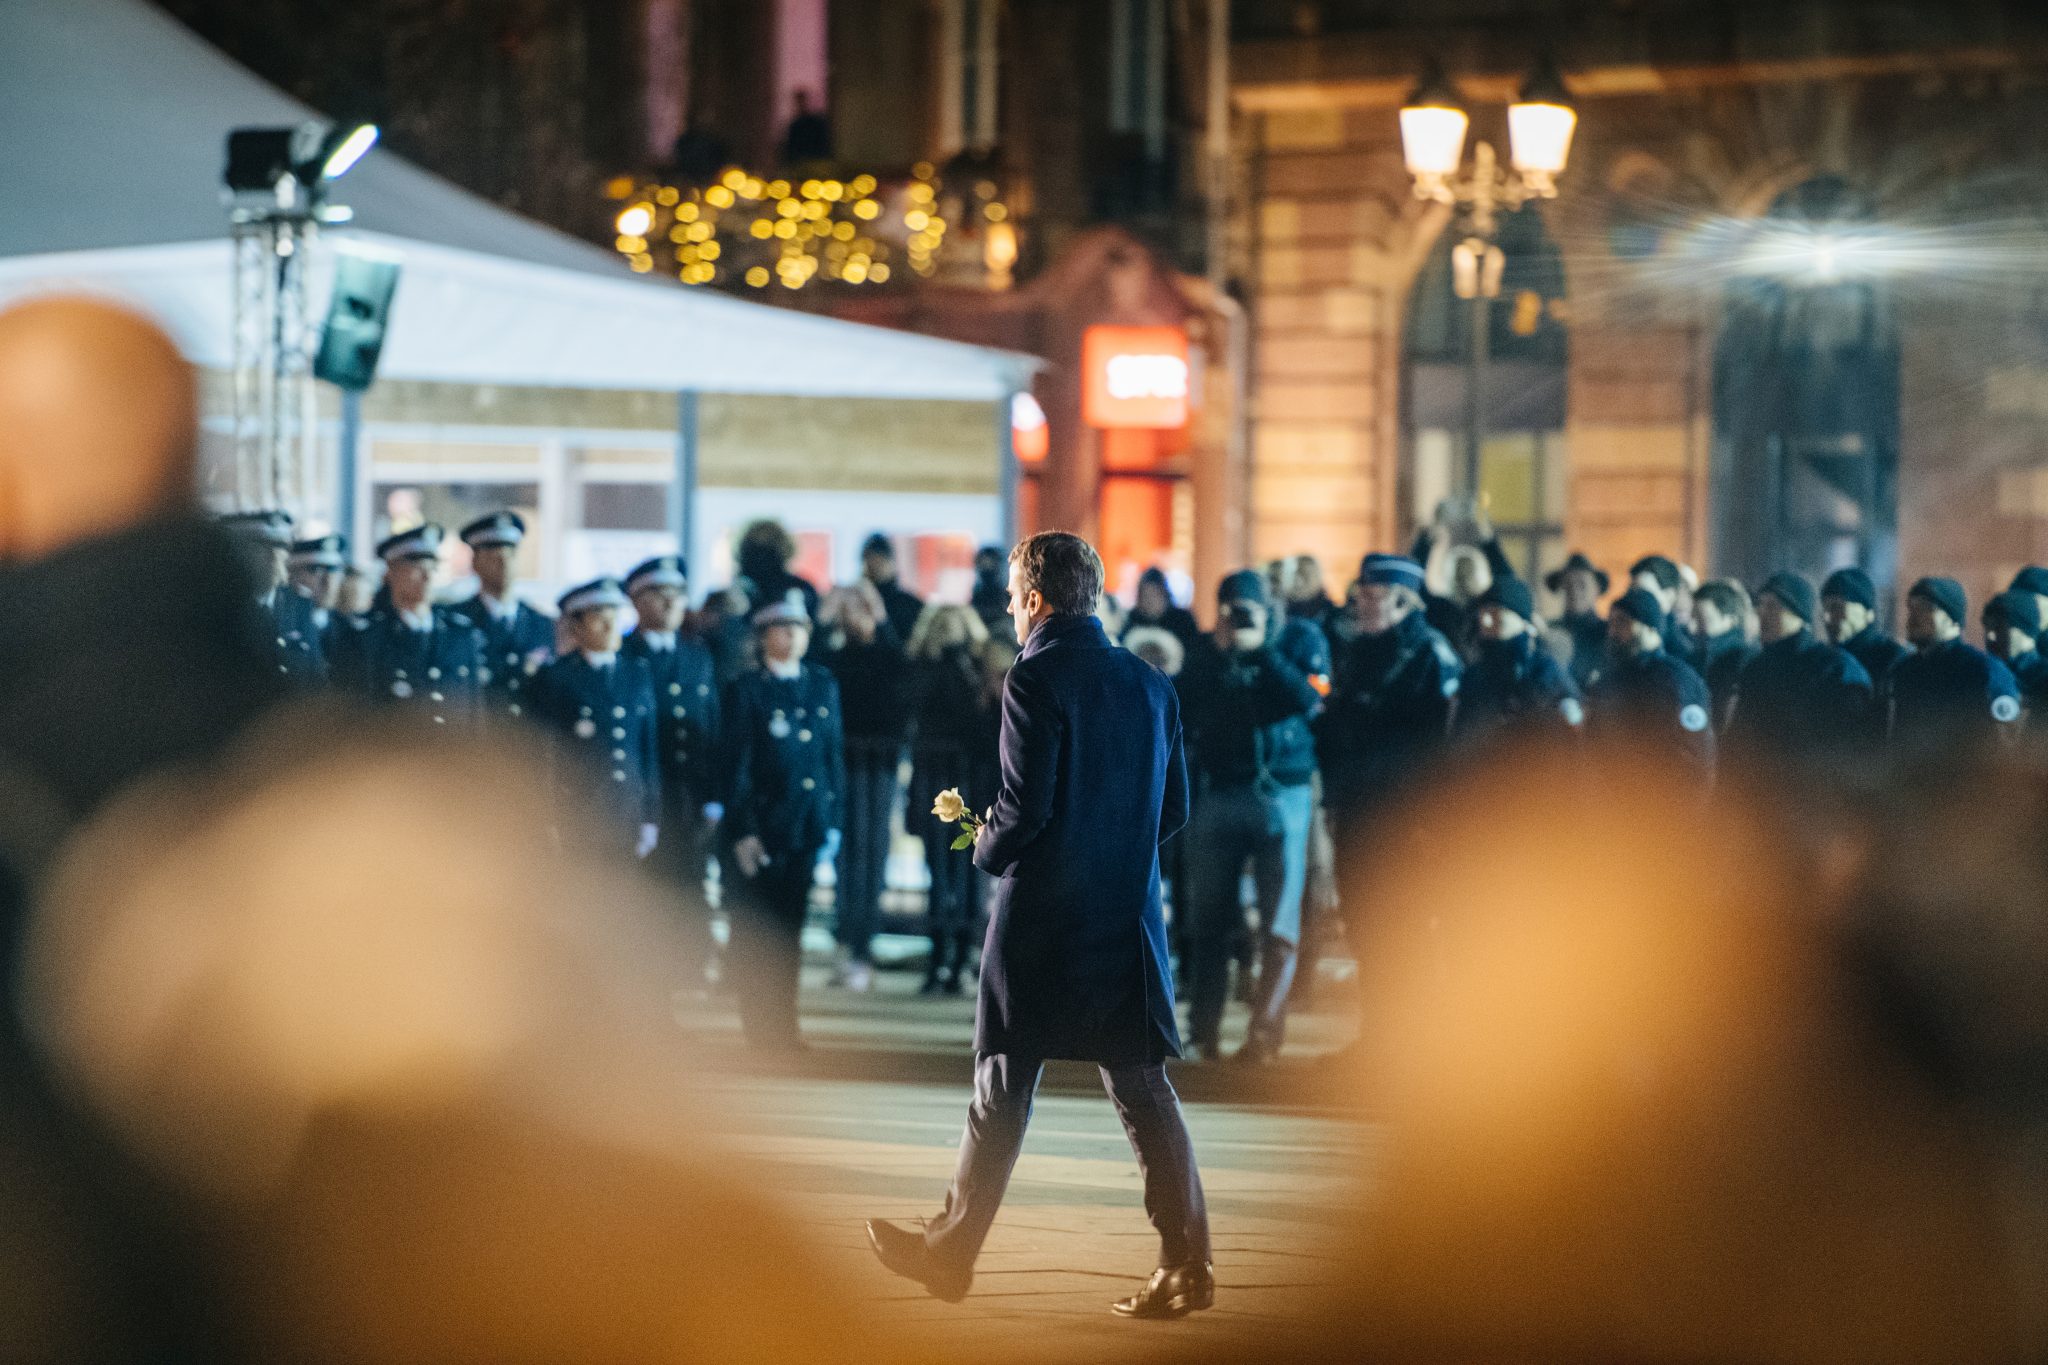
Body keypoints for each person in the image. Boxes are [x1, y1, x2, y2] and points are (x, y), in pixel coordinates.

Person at [865, 532, 1210, 1318]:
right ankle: (1187, 1259)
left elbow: (1025, 809)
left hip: (1046, 917)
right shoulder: (1151, 680)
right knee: (1143, 1087)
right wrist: (1112, 850)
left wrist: (983, 846)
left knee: (1003, 1082)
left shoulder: (1035, 673)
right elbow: (1175, 808)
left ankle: (951, 1251)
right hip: (1126, 915)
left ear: (1032, 598)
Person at [1178, 570, 1322, 1064]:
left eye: (1247, 609)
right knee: (1208, 920)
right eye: (1230, 608)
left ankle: (1264, 1037)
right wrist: (1219, 655)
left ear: (1268, 609)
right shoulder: (1205, 651)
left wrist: (1263, 651)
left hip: (1283, 793)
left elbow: (1309, 701)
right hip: (1220, 792)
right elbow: (1187, 710)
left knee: (1279, 923)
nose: (1237, 617)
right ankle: (1203, 1032)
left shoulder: (1299, 640)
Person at [720, 599, 844, 1053]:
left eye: (798, 628)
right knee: (762, 932)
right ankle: (759, 1027)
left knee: (791, 931)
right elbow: (738, 766)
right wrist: (744, 830)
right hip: (765, 826)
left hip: (805, 824)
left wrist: (832, 820)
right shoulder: (747, 689)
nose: (791, 637)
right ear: (763, 636)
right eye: (781, 628)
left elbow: (832, 758)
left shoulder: (821, 685)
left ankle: (784, 1027)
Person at [1318, 553, 1462, 894]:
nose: (1360, 605)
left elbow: (1441, 742)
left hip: (1404, 810)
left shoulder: (1430, 655)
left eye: (1372, 597)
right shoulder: (1357, 652)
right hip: (1356, 805)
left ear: (1402, 601)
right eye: (1359, 596)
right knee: (1358, 911)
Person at [620, 555, 723, 965]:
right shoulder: (626, 654)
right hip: (645, 791)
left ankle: (688, 965)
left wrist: (714, 795)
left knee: (690, 880)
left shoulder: (696, 656)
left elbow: (710, 726)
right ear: (637, 601)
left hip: (688, 792)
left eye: (677, 595)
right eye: (659, 596)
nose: (670, 604)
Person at [816, 584, 910, 992]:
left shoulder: (887, 655)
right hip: (845, 765)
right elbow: (816, 663)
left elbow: (899, 672)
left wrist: (883, 618)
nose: (855, 618)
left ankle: (861, 947)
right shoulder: (836, 658)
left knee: (871, 854)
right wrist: (822, 619)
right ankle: (846, 941)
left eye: (863, 611)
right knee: (846, 856)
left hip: (878, 765)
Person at [528, 578, 661, 858]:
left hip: (628, 812)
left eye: (614, 617)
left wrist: (651, 815)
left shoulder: (636, 674)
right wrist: (549, 819)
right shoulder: (558, 677)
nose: (610, 626)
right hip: (580, 812)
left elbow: (648, 752)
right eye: (598, 618)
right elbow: (545, 755)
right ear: (576, 627)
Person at [906, 604, 993, 995]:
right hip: (934, 781)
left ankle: (959, 959)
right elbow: (915, 708)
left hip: (967, 782)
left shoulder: (977, 670)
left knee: (966, 875)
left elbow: (976, 726)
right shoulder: (923, 669)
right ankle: (940, 957)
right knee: (938, 875)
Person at [327, 524, 485, 726]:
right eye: (417, 567)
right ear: (392, 570)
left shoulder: (460, 634)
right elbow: (351, 719)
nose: (427, 577)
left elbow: (476, 719)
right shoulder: (364, 638)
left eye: (432, 566)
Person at [1724, 572, 1872, 763]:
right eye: (1760, 605)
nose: (1761, 613)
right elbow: (1736, 739)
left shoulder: (1835, 667)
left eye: (1772, 606)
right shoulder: (1756, 668)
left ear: (1799, 615)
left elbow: (1854, 745)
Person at [1589, 586, 1715, 785]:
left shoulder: (1677, 680)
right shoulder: (1607, 682)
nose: (1612, 632)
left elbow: (1695, 755)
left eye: (1622, 622)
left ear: (1650, 628)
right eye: (1611, 623)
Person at [1889, 577, 2022, 750]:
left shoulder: (1982, 670)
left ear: (1953, 619)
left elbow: (2004, 742)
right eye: (1911, 607)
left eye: (1927, 608)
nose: (1914, 616)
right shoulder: (1904, 671)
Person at [450, 510, 555, 721]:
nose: (504, 563)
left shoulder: (543, 624)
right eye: (494, 556)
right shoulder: (455, 622)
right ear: (475, 563)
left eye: (511, 554)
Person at [1456, 575, 1583, 742]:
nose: (1486, 621)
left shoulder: (1545, 671)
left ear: (1521, 621)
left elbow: (1572, 729)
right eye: (1484, 613)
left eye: (1496, 613)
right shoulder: (1474, 675)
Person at [221, 509, 327, 686]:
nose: (274, 558)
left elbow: (316, 676)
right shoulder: (225, 610)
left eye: (281, 548)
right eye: (263, 549)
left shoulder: (298, 606)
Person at [1692, 579, 1759, 731]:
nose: (1695, 627)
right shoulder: (1692, 659)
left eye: (1704, 620)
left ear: (1730, 620)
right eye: (1694, 618)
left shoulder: (1745, 661)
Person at [1545, 551, 1611, 690]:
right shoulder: (1550, 632)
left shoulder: (1609, 632)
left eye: (1582, 584)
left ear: (1596, 588)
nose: (1574, 590)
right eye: (1568, 585)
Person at [1982, 590, 2048, 725]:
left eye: (1999, 628)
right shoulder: (1980, 675)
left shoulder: (2044, 677)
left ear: (2024, 630)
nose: (1990, 636)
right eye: (1987, 628)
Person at [734, 518, 820, 621]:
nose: (761, 558)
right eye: (755, 548)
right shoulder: (738, 590)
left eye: (768, 548)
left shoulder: (800, 589)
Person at [1630, 555, 1700, 670]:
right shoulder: (1619, 638)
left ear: (1669, 595)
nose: (1636, 600)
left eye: (1646, 594)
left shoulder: (1681, 654)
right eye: (1633, 592)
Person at [859, 532, 925, 643]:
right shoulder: (858, 602)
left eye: (879, 559)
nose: (873, 564)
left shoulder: (909, 604)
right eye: (868, 559)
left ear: (891, 562)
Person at [286, 531, 348, 651]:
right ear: (293, 574)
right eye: (316, 570)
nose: (328, 581)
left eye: (333, 571)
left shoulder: (347, 628)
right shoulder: (281, 622)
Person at [1128, 567, 1203, 659]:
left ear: (1164, 595)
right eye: (1146, 596)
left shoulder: (1182, 622)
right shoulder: (1130, 620)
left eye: (1154, 595)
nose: (1150, 602)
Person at [970, 544, 1010, 631]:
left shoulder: (1010, 598)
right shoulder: (977, 597)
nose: (987, 566)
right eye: (984, 563)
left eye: (991, 563)